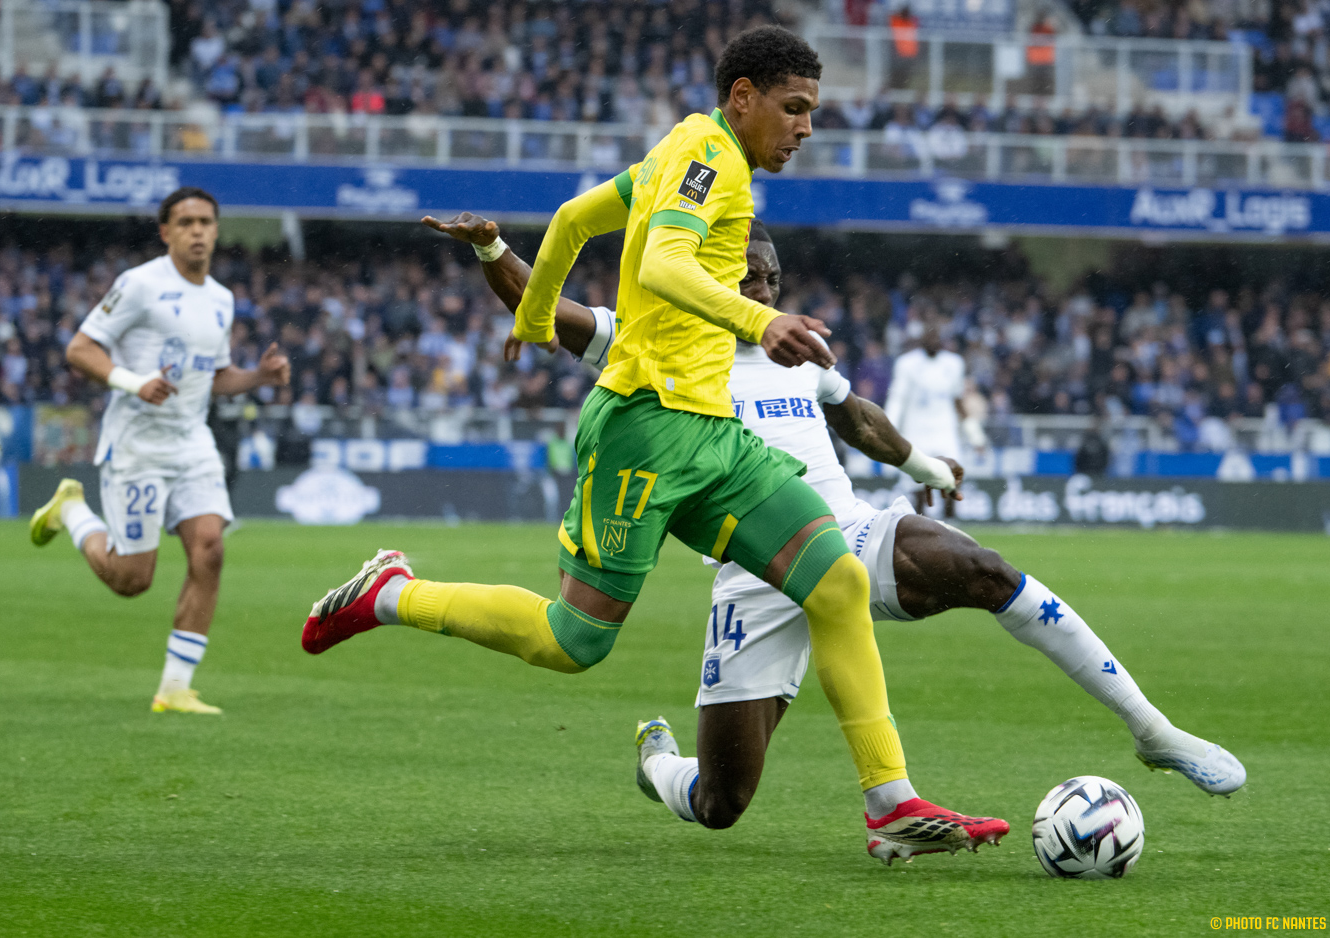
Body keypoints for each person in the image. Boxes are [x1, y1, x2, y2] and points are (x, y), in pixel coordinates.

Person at [300, 26, 973, 862]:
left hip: (713, 433)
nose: (805, 128)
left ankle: (891, 802)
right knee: (573, 641)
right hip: (645, 431)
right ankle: (392, 593)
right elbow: (660, 267)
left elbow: (574, 219)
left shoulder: (681, 149)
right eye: (794, 108)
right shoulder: (712, 159)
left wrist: (535, 316)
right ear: (743, 98)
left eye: (811, 111)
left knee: (836, 580)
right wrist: (762, 320)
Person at [429, 211, 1247, 863]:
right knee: (721, 803)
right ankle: (659, 764)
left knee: (983, 570)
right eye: (747, 274)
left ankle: (1152, 730)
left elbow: (855, 416)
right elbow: (551, 313)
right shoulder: (658, 341)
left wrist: (925, 463)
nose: (762, 287)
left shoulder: (794, 349)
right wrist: (494, 249)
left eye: (771, 278)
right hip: (753, 574)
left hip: (843, 531)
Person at [28, 187, 291, 714]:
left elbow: (215, 378)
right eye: (186, 222)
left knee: (210, 550)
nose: (197, 231)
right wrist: (133, 382)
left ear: (216, 230)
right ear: (166, 232)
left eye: (206, 222)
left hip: (192, 441)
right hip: (138, 445)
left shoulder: (221, 299)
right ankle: (71, 511)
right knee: (132, 580)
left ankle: (175, 689)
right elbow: (79, 349)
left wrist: (259, 377)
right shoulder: (140, 284)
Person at [884, 315, 988, 503]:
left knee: (953, 482)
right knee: (917, 489)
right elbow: (897, 401)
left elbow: (958, 403)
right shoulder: (906, 364)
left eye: (936, 336)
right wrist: (888, 432)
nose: (933, 340)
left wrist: (976, 437)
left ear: (942, 339)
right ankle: (921, 521)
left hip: (944, 432)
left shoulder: (954, 364)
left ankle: (950, 520)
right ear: (921, 338)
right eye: (929, 336)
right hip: (916, 433)